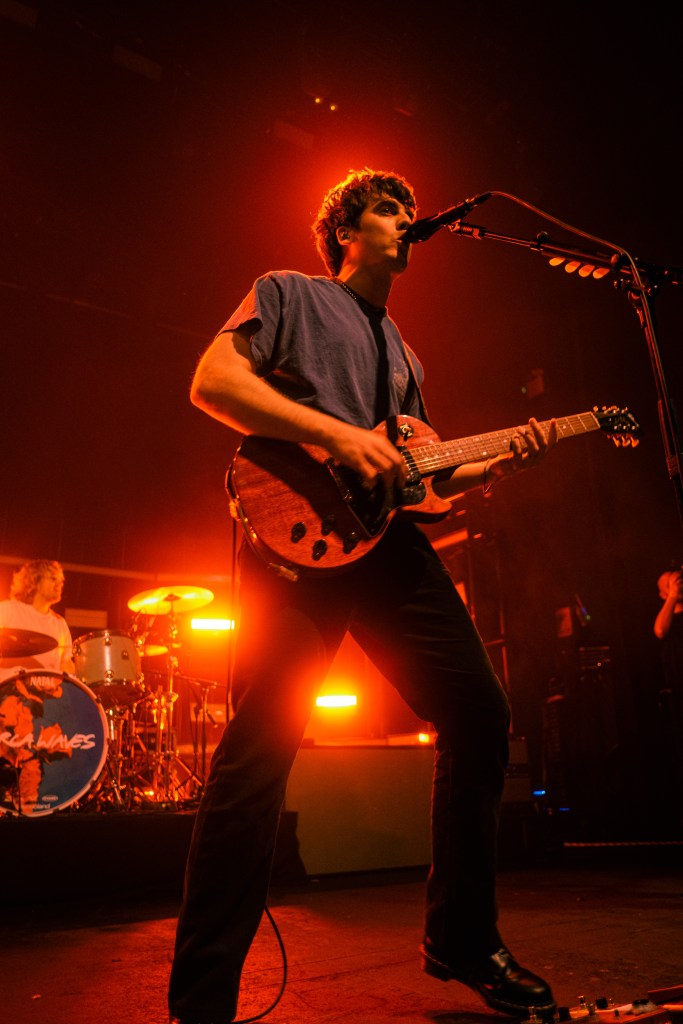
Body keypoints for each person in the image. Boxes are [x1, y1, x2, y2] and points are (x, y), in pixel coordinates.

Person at [168, 167, 558, 1024]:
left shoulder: (406, 354)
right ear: (345, 231)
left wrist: (499, 462)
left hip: (387, 547)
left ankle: (460, 937)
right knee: (258, 754)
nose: (407, 219)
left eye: (409, 208)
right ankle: (201, 1002)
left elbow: (421, 479)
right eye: (388, 208)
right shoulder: (289, 292)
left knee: (479, 712)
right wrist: (337, 436)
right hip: (300, 535)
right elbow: (212, 383)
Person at [0, 559, 75, 683]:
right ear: (35, 581)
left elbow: (65, 664)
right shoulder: (8, 610)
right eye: (53, 578)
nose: (60, 584)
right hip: (9, 689)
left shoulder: (60, 623)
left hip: (48, 692)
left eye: (61, 580)